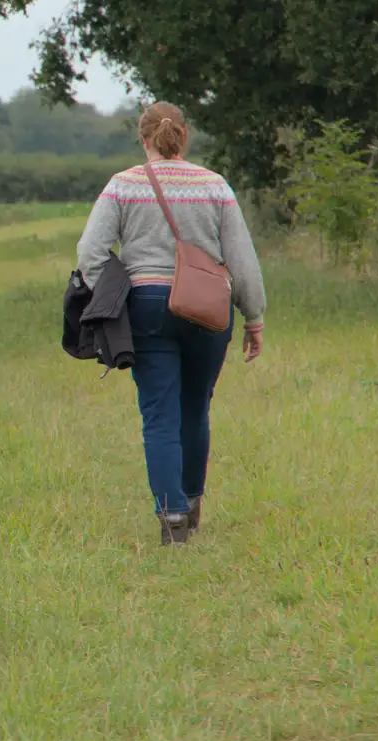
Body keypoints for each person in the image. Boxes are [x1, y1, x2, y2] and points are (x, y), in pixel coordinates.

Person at [76, 102, 266, 545]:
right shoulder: (215, 186)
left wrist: (113, 293)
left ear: (143, 139)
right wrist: (253, 316)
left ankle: (172, 519)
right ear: (185, 135)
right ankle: (193, 502)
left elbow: (90, 253)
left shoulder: (122, 186)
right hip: (208, 310)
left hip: (146, 306)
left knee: (159, 415)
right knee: (195, 408)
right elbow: (241, 258)